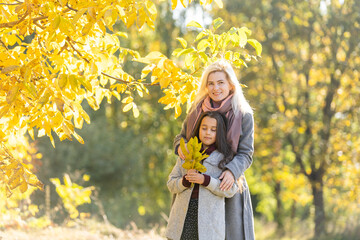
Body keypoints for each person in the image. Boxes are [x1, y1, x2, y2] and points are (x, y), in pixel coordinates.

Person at [173, 60, 255, 240]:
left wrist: (232, 171)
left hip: (225, 182)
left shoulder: (243, 113)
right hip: (194, 183)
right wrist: (181, 147)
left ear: (231, 84)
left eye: (220, 83)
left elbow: (246, 153)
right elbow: (181, 137)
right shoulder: (196, 109)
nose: (215, 88)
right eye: (211, 83)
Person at [166, 111, 239, 240]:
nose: (207, 133)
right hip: (183, 218)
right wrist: (184, 181)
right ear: (198, 129)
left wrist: (205, 180)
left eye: (213, 130)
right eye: (204, 128)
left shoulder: (224, 158)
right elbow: (171, 184)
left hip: (209, 224)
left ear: (220, 132)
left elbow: (231, 190)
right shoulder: (187, 153)